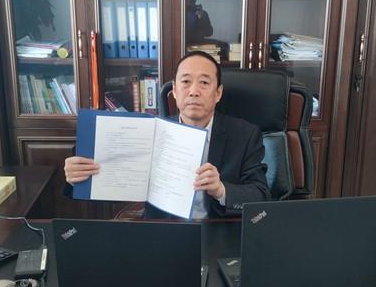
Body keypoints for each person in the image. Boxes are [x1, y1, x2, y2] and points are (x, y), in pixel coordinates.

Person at [64, 51, 271, 218]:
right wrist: (77, 179)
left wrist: (220, 189)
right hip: (163, 229)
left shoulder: (245, 135)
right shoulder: (150, 133)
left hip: (218, 229)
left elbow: (261, 196)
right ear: (174, 91)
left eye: (204, 83)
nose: (194, 91)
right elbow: (114, 179)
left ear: (218, 93)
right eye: (186, 82)